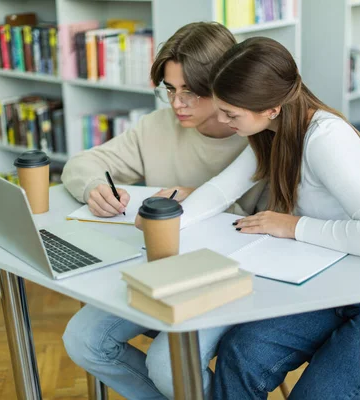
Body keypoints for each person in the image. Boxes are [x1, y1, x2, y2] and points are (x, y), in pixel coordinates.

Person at [171, 37, 360, 399]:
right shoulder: (272, 133)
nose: (220, 120)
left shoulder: (325, 139)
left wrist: (292, 226)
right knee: (240, 354)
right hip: (331, 287)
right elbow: (222, 190)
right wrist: (168, 223)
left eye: (230, 114)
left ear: (271, 107)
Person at [60, 23, 267, 400]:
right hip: (157, 272)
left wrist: (203, 202)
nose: (177, 104)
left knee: (168, 365)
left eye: (190, 92)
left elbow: (275, 230)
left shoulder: (257, 135)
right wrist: (94, 188)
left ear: (224, 83)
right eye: (170, 90)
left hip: (228, 281)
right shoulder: (158, 126)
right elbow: (81, 165)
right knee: (82, 340)